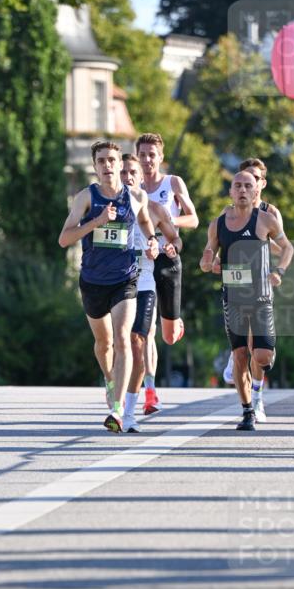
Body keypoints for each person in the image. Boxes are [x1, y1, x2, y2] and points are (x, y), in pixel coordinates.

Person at [58, 139, 158, 433]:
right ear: (95, 166)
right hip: (93, 281)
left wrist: (152, 241)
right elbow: (64, 239)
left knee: (124, 339)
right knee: (104, 345)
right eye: (101, 161)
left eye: (111, 160)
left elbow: (145, 222)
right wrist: (97, 221)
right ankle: (110, 379)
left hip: (125, 279)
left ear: (120, 164)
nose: (107, 165)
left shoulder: (136, 196)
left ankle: (120, 411)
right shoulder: (85, 198)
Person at [200, 170, 294, 431]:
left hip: (261, 297)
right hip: (233, 298)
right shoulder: (218, 224)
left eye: (247, 186)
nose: (242, 190)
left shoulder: (266, 220)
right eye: (237, 186)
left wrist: (279, 271)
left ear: (256, 191)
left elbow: (288, 248)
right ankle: (247, 410)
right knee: (240, 354)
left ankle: (264, 359)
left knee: (261, 356)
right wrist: (207, 262)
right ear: (230, 191)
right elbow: (207, 258)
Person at [136, 132, 199, 414]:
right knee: (147, 330)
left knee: (169, 336)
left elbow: (194, 218)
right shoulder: (133, 187)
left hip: (168, 257)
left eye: (152, 155)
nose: (147, 160)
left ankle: (175, 322)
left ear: (160, 157)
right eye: (143, 155)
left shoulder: (172, 183)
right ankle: (150, 393)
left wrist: (168, 220)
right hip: (143, 262)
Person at [119, 154, 182, 433]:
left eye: (132, 172)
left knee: (138, 342)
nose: (127, 177)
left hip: (144, 283)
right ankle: (115, 392)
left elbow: (175, 238)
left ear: (140, 176)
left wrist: (168, 247)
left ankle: (129, 412)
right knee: (114, 344)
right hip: (113, 284)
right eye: (122, 172)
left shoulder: (153, 209)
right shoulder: (104, 208)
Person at [221, 157, 284, 422]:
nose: (247, 186)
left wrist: (263, 244)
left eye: (254, 180)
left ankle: (257, 396)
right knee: (243, 349)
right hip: (236, 288)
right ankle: (238, 367)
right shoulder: (228, 214)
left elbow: (282, 247)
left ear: (261, 184)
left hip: (261, 287)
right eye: (242, 181)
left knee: (258, 350)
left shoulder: (270, 213)